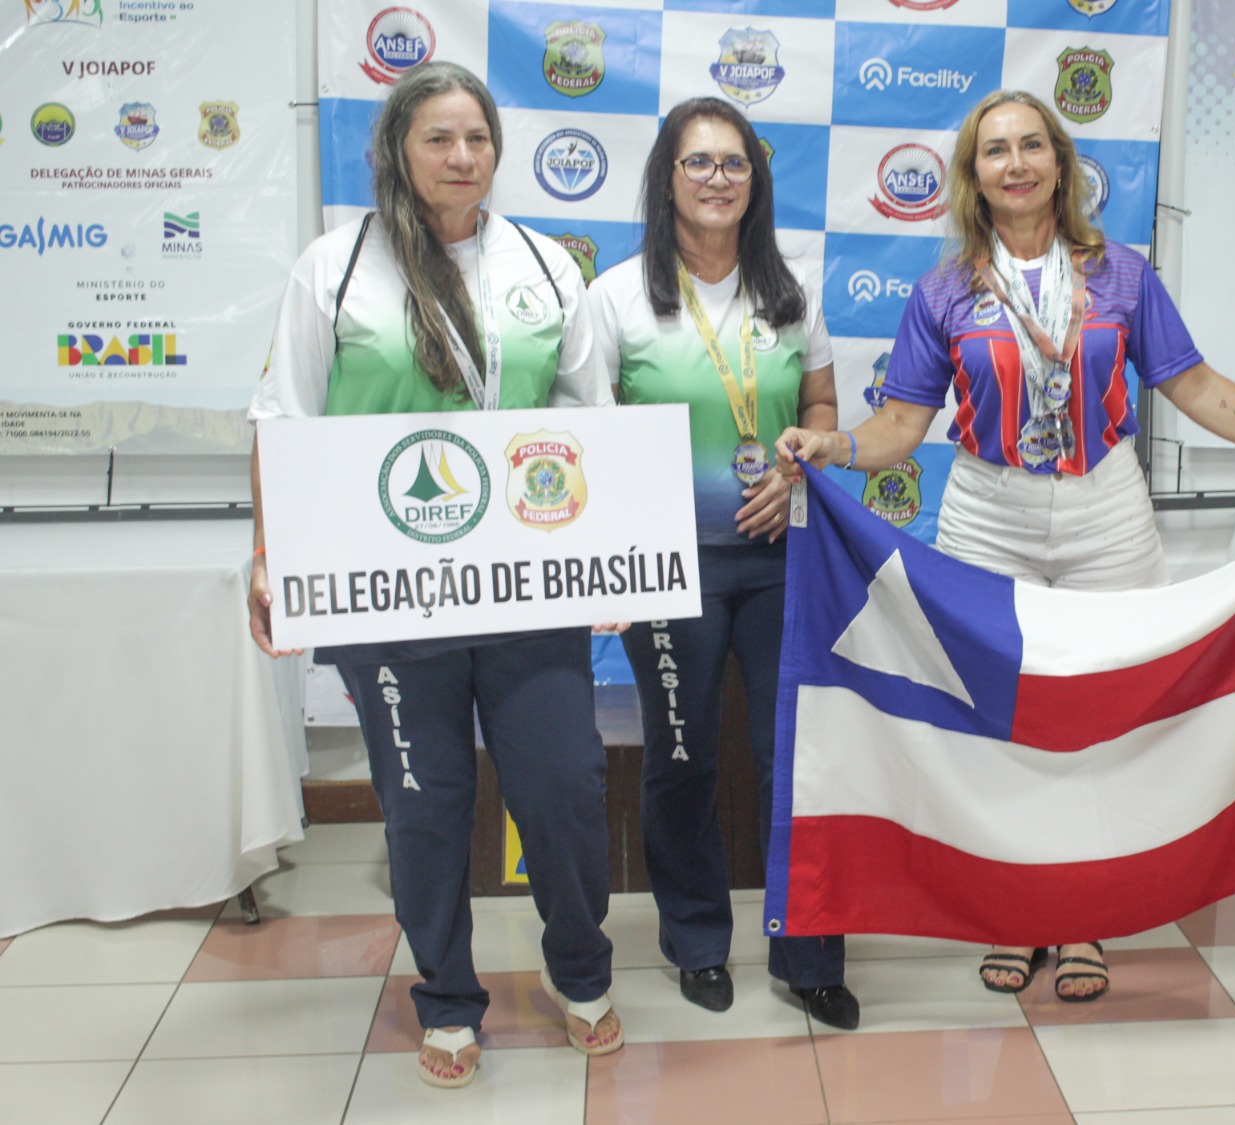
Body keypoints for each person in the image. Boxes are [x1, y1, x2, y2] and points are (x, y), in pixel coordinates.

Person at [777, 89, 1235, 1003]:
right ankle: (1017, 911)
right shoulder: (944, 292)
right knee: (999, 723)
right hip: (987, 510)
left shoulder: (1124, 276)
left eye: (1030, 146)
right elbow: (900, 424)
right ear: (973, 176)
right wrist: (835, 448)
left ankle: (1085, 917)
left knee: (1108, 715)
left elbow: (1201, 389)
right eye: (993, 151)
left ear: (1059, 161)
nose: (1014, 164)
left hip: (1105, 511)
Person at [245, 61, 622, 1086]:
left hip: (524, 591)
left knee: (561, 789)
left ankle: (581, 973)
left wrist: (616, 564)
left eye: (478, 139)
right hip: (390, 592)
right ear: (398, 153)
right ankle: (448, 998)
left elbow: (594, 422)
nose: (462, 158)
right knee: (425, 801)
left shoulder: (545, 266)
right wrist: (271, 555)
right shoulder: (334, 267)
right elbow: (282, 422)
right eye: (438, 139)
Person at [588, 97, 859, 1029]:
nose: (716, 179)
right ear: (668, 178)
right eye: (697, 162)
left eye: (733, 163)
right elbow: (583, 439)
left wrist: (797, 475)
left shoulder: (793, 290)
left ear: (756, 181)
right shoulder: (618, 296)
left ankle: (810, 954)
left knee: (797, 757)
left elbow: (822, 411)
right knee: (681, 756)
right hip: (670, 568)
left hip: (784, 558)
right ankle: (698, 940)